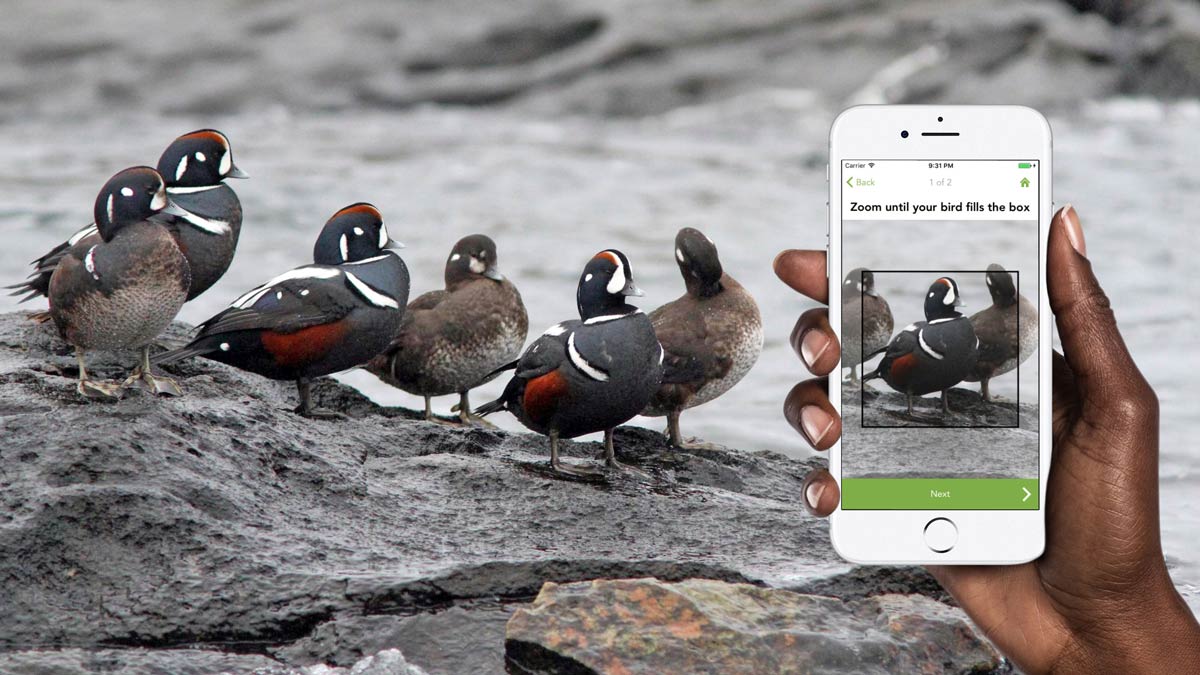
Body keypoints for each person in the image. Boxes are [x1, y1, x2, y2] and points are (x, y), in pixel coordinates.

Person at [774, 205, 1200, 673]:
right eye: (947, 293)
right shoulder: (923, 331)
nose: (953, 295)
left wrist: (1114, 619)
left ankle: (934, 403)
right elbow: (900, 358)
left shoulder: (969, 330)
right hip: (906, 372)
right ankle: (919, 404)